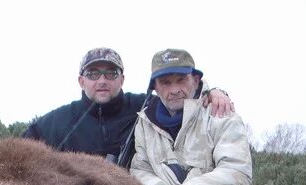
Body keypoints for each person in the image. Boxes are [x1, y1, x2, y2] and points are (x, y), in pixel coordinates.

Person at [130, 49, 265, 185]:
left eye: (181, 80)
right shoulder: (143, 123)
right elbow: (139, 168)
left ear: (195, 80)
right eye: (165, 82)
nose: (175, 90)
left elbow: (235, 171)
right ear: (155, 87)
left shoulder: (221, 113)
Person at [22, 47, 232, 165]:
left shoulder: (146, 106)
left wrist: (213, 92)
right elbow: (18, 151)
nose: (102, 80)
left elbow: (179, 95)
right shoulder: (56, 121)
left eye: (111, 73)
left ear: (122, 79)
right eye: (93, 73)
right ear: (81, 81)